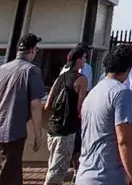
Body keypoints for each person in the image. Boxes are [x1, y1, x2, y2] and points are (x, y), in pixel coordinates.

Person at [0, 33, 45, 185]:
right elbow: (35, 105)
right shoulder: (32, 70)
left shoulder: (0, 70)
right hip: (11, 132)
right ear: (32, 51)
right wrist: (38, 134)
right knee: (8, 177)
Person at [77, 44, 132, 185]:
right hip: (107, 176)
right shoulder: (122, 93)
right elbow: (124, 141)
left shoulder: (93, 92)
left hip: (84, 173)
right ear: (128, 69)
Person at [44, 46, 88, 185]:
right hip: (68, 128)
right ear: (79, 60)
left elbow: (47, 105)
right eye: (84, 57)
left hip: (52, 128)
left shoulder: (60, 78)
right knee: (57, 171)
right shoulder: (81, 79)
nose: (86, 60)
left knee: (53, 164)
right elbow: (80, 107)